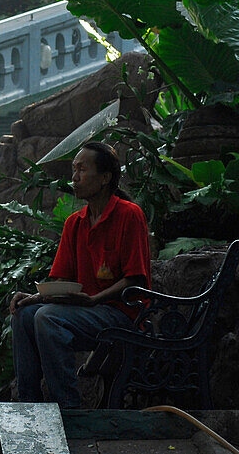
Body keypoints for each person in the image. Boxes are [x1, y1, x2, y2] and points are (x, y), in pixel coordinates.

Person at [9, 141, 151, 408]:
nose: (74, 177)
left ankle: (68, 407)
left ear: (105, 178)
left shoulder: (129, 215)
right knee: (23, 315)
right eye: (73, 170)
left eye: (82, 170)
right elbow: (62, 281)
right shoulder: (74, 223)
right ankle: (29, 406)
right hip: (85, 312)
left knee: (47, 318)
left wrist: (95, 300)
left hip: (121, 313)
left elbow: (135, 280)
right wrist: (33, 296)